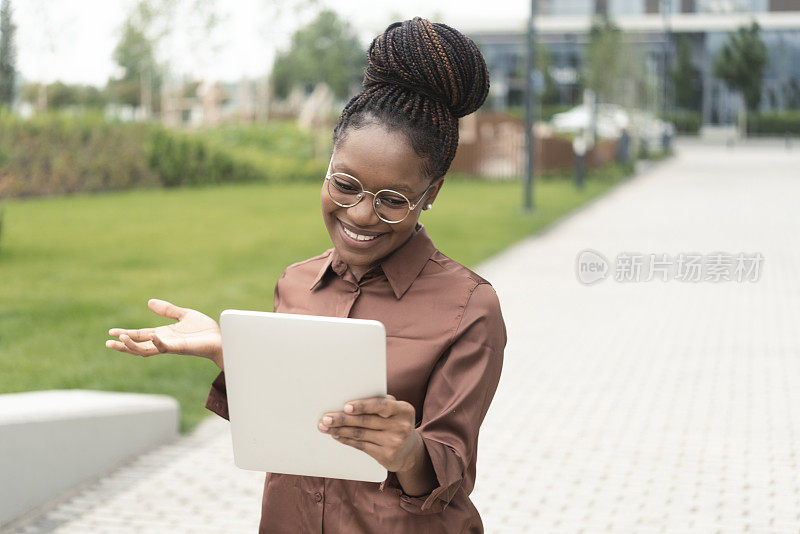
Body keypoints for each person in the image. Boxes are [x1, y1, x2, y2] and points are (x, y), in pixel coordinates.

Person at [106, 17, 506, 533]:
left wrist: (408, 452)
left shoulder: (469, 307)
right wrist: (228, 351)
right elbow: (288, 415)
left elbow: (452, 466)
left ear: (432, 193)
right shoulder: (295, 283)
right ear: (329, 163)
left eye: (393, 200)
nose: (361, 214)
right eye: (345, 184)